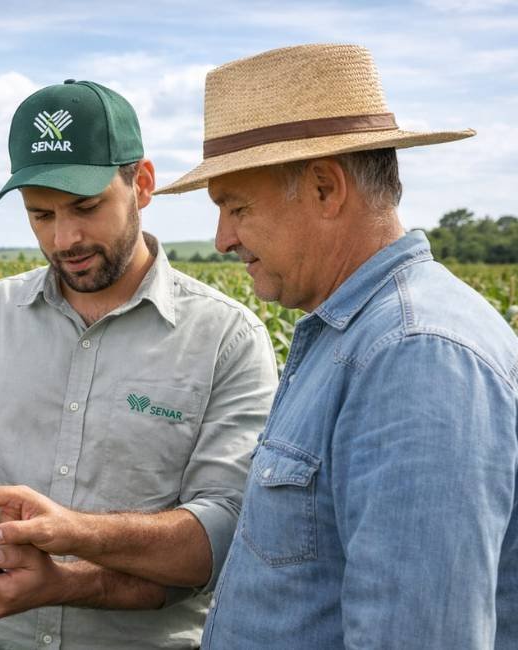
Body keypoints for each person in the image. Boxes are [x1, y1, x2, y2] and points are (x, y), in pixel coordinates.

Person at [0, 79, 278, 649]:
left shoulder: (225, 336)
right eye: (40, 215)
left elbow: (222, 535)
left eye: (86, 208)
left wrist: (69, 561)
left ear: (141, 183)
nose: (65, 238)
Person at [147, 44, 517, 648]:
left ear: (325, 188)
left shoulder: (415, 356)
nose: (221, 239)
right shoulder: (351, 332)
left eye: (237, 207)